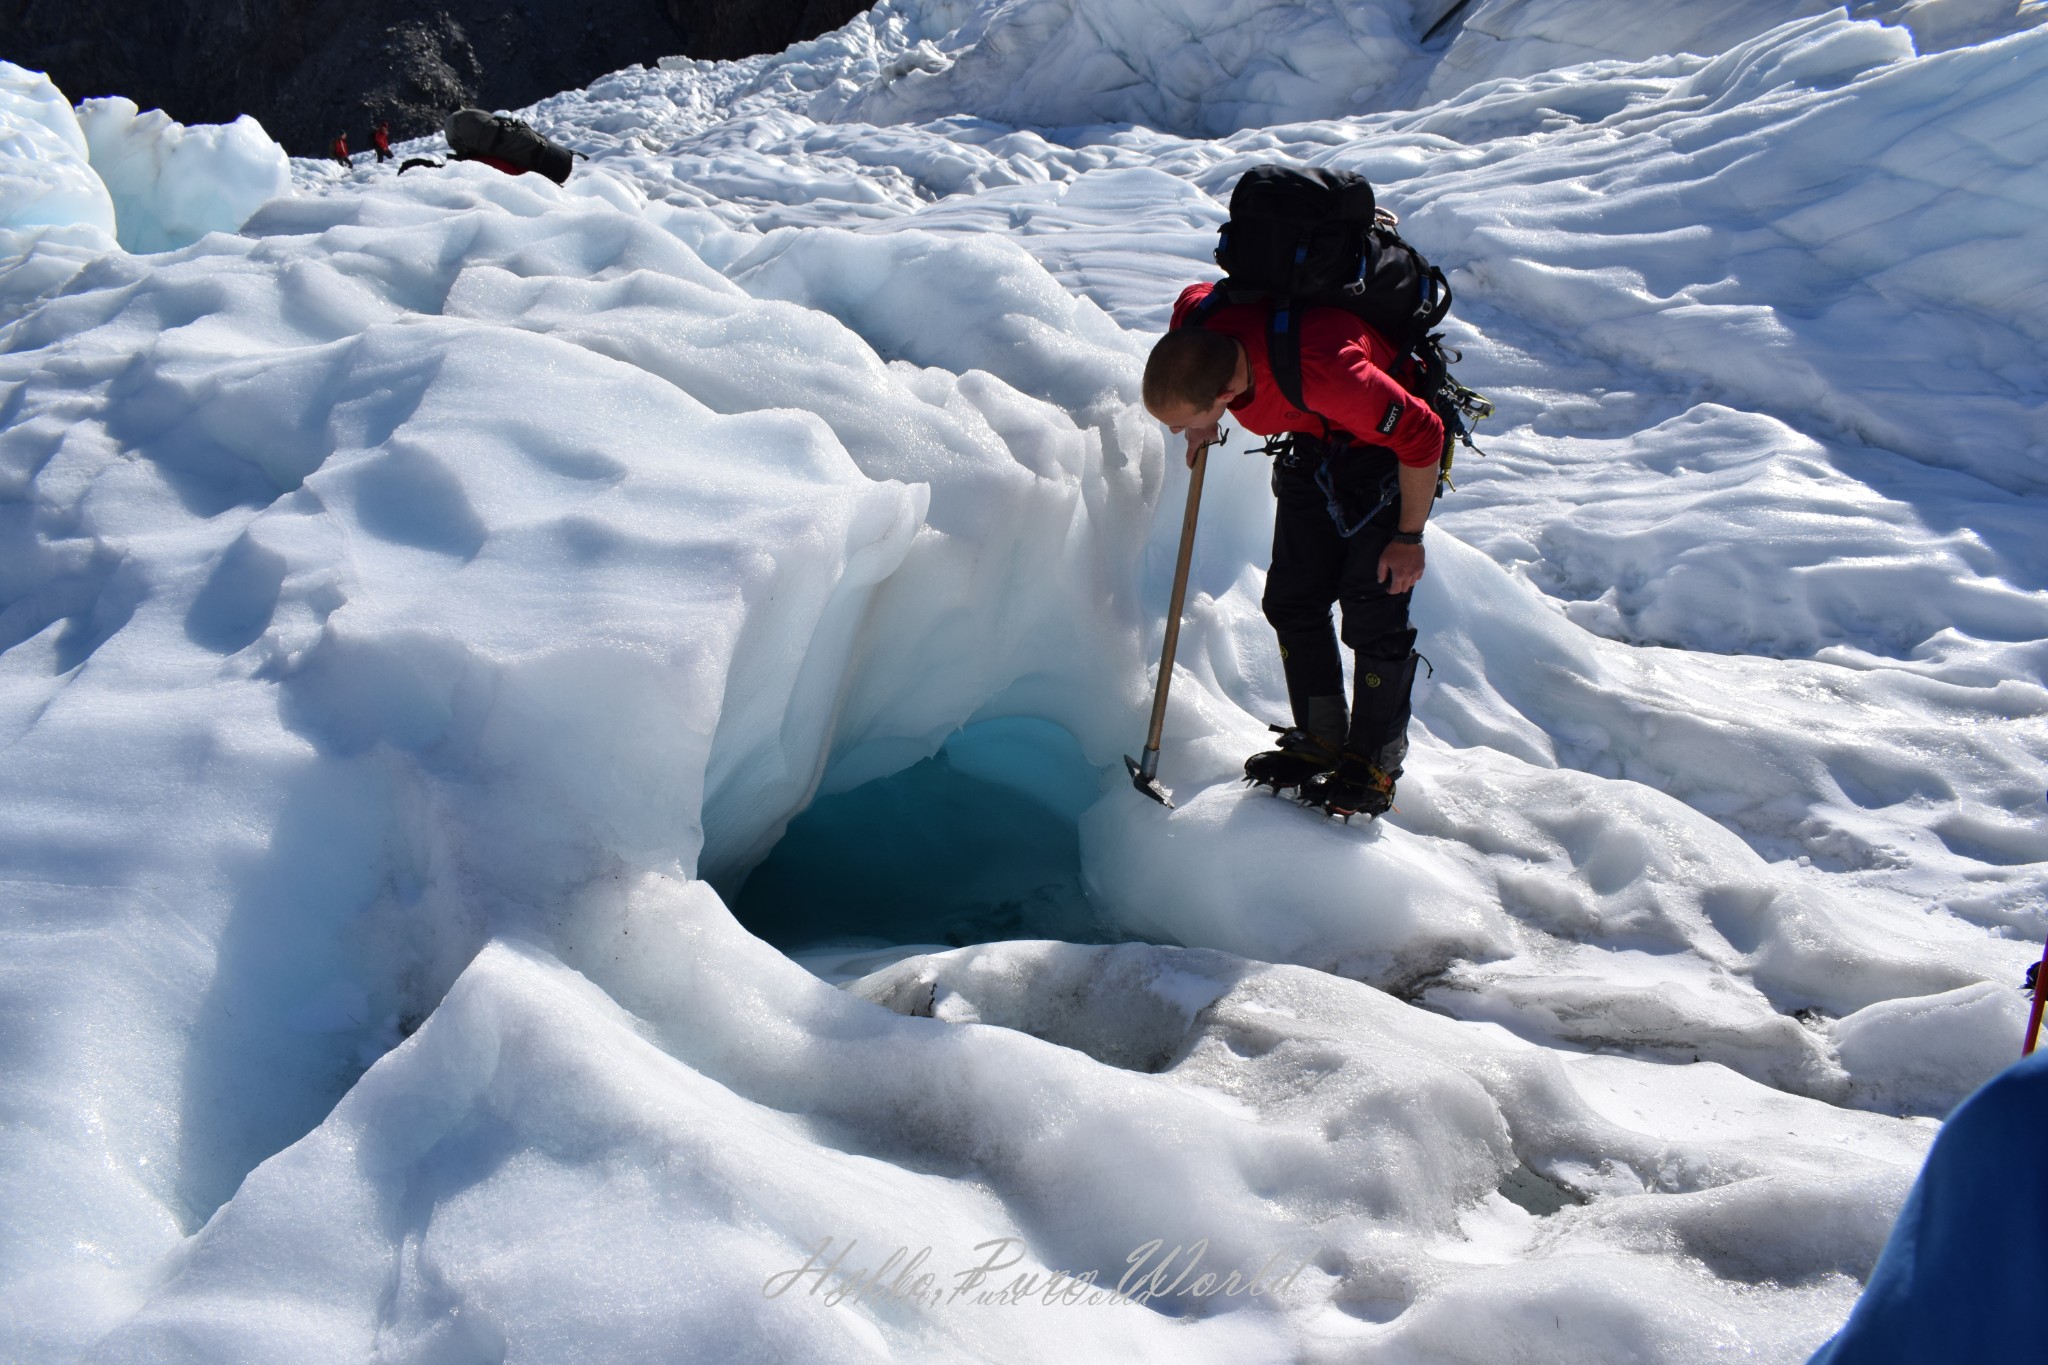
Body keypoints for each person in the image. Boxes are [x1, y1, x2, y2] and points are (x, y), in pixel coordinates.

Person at [1142, 282, 1445, 818]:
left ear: (1227, 394)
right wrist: (1198, 424)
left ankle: (1374, 764)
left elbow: (1423, 434)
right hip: (1315, 443)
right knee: (1291, 599)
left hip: (1386, 453)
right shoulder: (1198, 328)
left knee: (1371, 607)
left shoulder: (1331, 373)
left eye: (1181, 420)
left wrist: (1409, 538)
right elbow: (1193, 298)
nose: (1174, 430)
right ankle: (1322, 737)